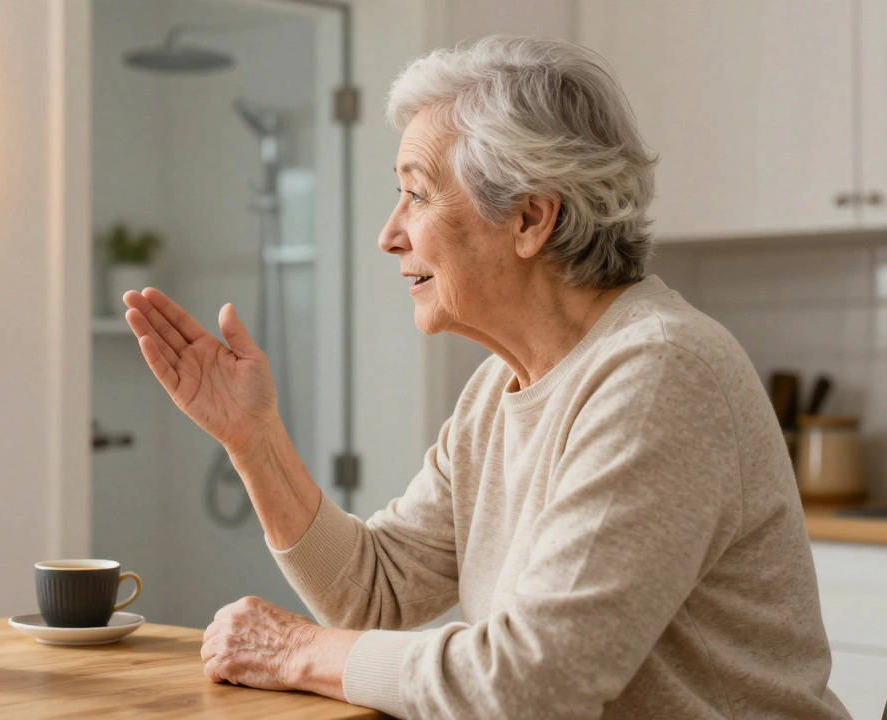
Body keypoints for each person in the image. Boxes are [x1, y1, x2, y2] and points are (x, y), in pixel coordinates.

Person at [121, 36, 849, 719]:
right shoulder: (497, 389)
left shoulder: (659, 374)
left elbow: (533, 683)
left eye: (417, 193)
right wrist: (254, 439)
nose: (389, 233)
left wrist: (304, 652)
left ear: (531, 218)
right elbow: (373, 591)